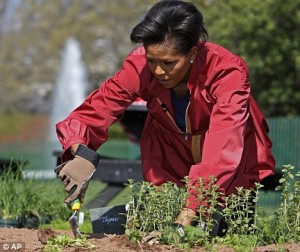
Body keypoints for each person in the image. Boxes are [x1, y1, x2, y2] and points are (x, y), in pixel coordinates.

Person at [54, 0, 275, 235]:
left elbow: (224, 146)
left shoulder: (227, 72)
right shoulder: (139, 66)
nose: (158, 71)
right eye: (152, 60)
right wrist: (79, 151)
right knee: (158, 228)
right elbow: (96, 109)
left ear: (191, 53)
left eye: (169, 63)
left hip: (232, 161)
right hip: (169, 155)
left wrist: (188, 213)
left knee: (226, 233)